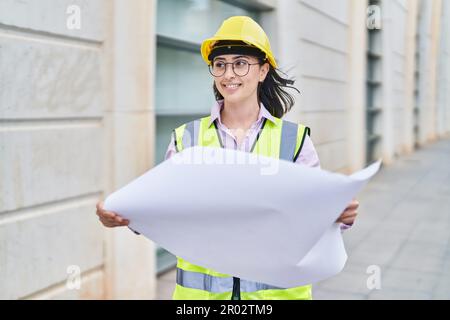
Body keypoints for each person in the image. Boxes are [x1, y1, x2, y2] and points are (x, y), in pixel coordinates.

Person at [96, 16, 359, 300]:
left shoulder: (294, 141)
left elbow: (314, 214)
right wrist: (124, 215)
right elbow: (165, 208)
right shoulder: (187, 138)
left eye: (240, 63)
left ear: (263, 71)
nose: (228, 74)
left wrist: (338, 215)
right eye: (220, 64)